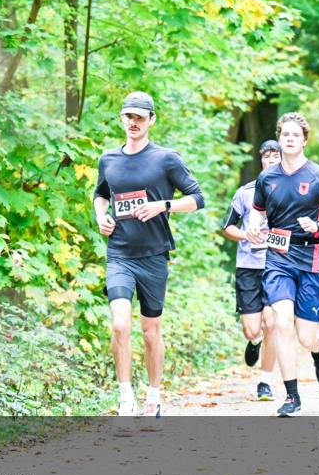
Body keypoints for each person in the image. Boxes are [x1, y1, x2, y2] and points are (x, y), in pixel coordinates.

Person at [93, 91, 205, 417]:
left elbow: (198, 198)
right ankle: (125, 396)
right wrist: (101, 216)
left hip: (154, 255)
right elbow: (101, 193)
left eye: (140, 117)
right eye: (129, 116)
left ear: (151, 120)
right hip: (119, 254)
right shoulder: (108, 159)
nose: (134, 122)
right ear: (121, 118)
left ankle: (154, 396)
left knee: (150, 332)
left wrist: (163, 205)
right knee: (120, 325)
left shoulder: (166, 159)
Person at [247, 112, 319, 417]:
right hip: (278, 258)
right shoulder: (267, 178)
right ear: (279, 138)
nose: (290, 139)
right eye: (285, 134)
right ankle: (292, 396)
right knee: (281, 322)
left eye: (296, 135)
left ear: (304, 140)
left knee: (307, 336)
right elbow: (257, 210)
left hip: (311, 260)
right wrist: (255, 225)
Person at [221, 139, 282, 401]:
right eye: (267, 156)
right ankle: (254, 341)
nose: (271, 160)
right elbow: (227, 227)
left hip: (277, 265)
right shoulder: (245, 192)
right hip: (248, 266)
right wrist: (247, 235)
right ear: (261, 160)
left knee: (272, 324)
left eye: (276, 156)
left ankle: (265, 381)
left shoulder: (289, 191)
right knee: (252, 329)